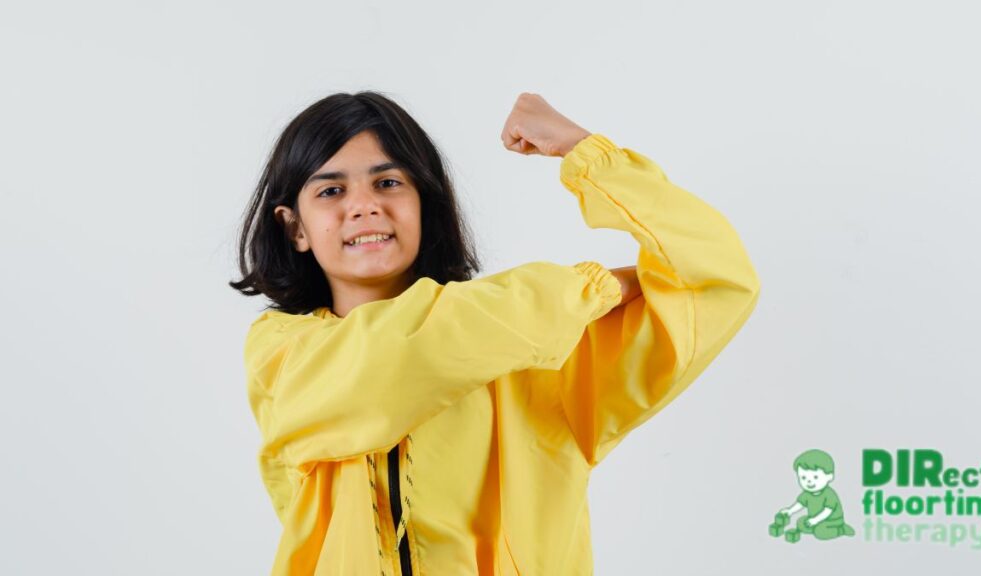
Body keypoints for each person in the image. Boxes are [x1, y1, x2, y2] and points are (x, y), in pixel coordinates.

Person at [230, 90, 760, 575]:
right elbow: (400, 358)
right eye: (330, 190)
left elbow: (713, 277)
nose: (365, 204)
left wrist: (587, 155)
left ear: (425, 208)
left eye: (389, 182)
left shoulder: (543, 358)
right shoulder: (283, 355)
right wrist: (590, 289)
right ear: (294, 227)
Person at [770, 449, 857, 542]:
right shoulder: (807, 494)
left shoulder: (829, 494)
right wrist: (790, 511)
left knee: (820, 532)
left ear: (830, 477)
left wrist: (815, 520)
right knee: (800, 522)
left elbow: (827, 511)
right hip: (814, 519)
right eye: (803, 477)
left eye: (815, 477)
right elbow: (800, 504)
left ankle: (841, 529)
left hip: (832, 521)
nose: (809, 481)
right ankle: (814, 527)